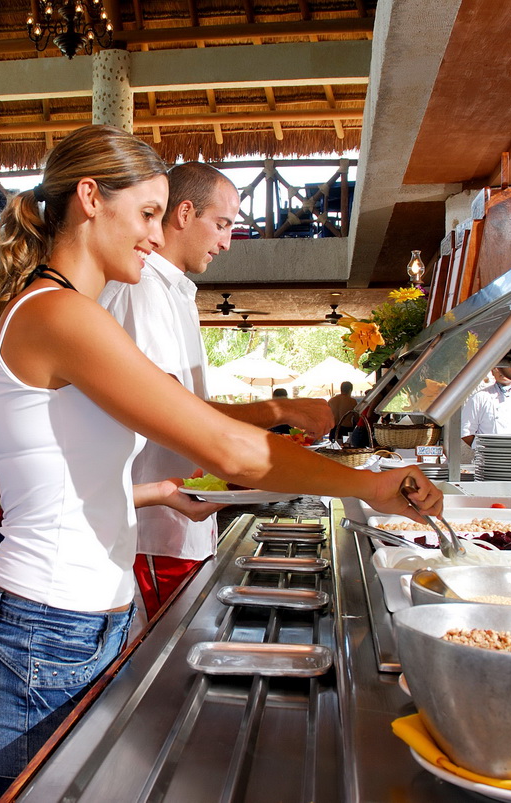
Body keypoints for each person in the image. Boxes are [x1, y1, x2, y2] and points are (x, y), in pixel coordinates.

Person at [0, 124, 440, 800]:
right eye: (147, 213)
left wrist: (154, 491)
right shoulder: (60, 314)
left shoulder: (75, 311)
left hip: (95, 617)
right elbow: (227, 446)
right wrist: (370, 486)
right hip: (40, 632)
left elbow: (66, 480)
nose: (155, 235)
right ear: (91, 198)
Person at [98, 161, 336, 618]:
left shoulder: (173, 290)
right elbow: (170, 410)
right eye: (222, 224)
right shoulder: (143, 287)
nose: (227, 242)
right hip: (155, 525)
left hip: (180, 515)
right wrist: (277, 412)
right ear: (183, 213)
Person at [459, 366, 511, 446]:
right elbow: (466, 432)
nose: (502, 371)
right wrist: (484, 451)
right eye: (498, 368)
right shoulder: (479, 398)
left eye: (507, 367)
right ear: (492, 371)